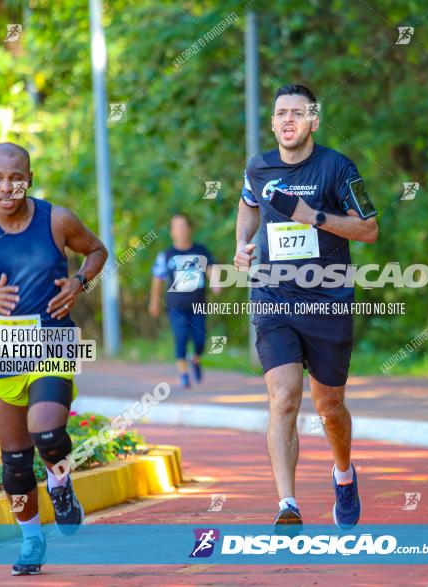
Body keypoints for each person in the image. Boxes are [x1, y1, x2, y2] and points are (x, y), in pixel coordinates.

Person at [0, 142, 108, 575]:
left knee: (49, 435)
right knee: (15, 462)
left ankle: (60, 479)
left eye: (16, 177)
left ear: (29, 177)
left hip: (51, 344)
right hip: (0, 355)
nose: (7, 186)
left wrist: (79, 283)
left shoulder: (57, 219)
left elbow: (97, 251)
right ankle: (32, 540)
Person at [234, 83, 378, 530]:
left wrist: (310, 215)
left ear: (314, 120)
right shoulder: (258, 166)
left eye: (298, 112)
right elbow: (248, 204)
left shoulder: (337, 167)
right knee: (283, 399)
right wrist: (240, 245)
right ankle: (287, 504)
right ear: (273, 121)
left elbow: (369, 230)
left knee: (329, 405)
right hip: (273, 296)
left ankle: (343, 473)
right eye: (281, 113)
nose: (289, 120)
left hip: (328, 299)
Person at [148, 213, 219, 388]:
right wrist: (154, 301)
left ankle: (194, 359)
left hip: (198, 305)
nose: (180, 231)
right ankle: (183, 374)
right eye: (176, 227)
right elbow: (157, 280)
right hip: (176, 305)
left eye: (183, 226)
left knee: (200, 340)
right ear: (172, 232)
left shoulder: (201, 251)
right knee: (180, 336)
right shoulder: (166, 255)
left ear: (189, 229)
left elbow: (211, 269)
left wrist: (216, 283)